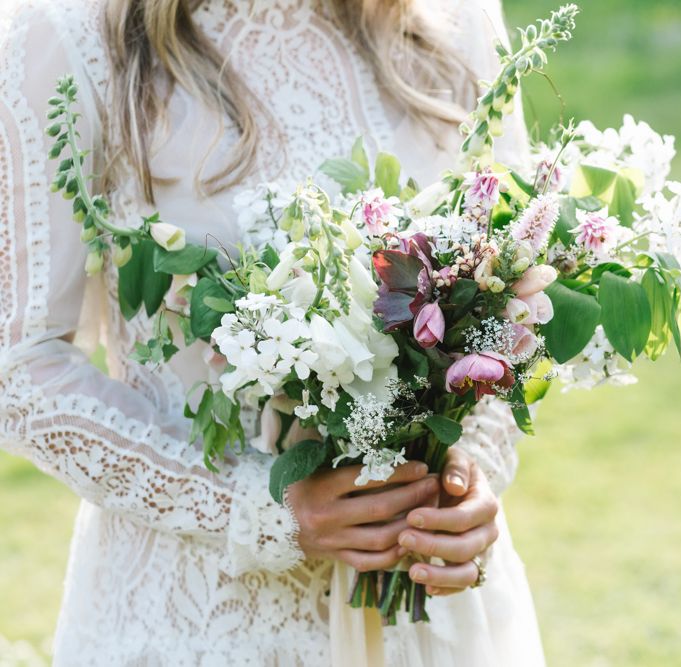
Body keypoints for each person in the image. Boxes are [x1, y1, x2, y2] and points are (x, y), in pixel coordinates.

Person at [0, 0, 545, 664]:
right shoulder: (66, 37)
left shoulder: (452, 19)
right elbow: (19, 363)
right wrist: (258, 507)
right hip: (201, 613)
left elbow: (510, 281)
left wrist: (466, 475)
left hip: (435, 608)